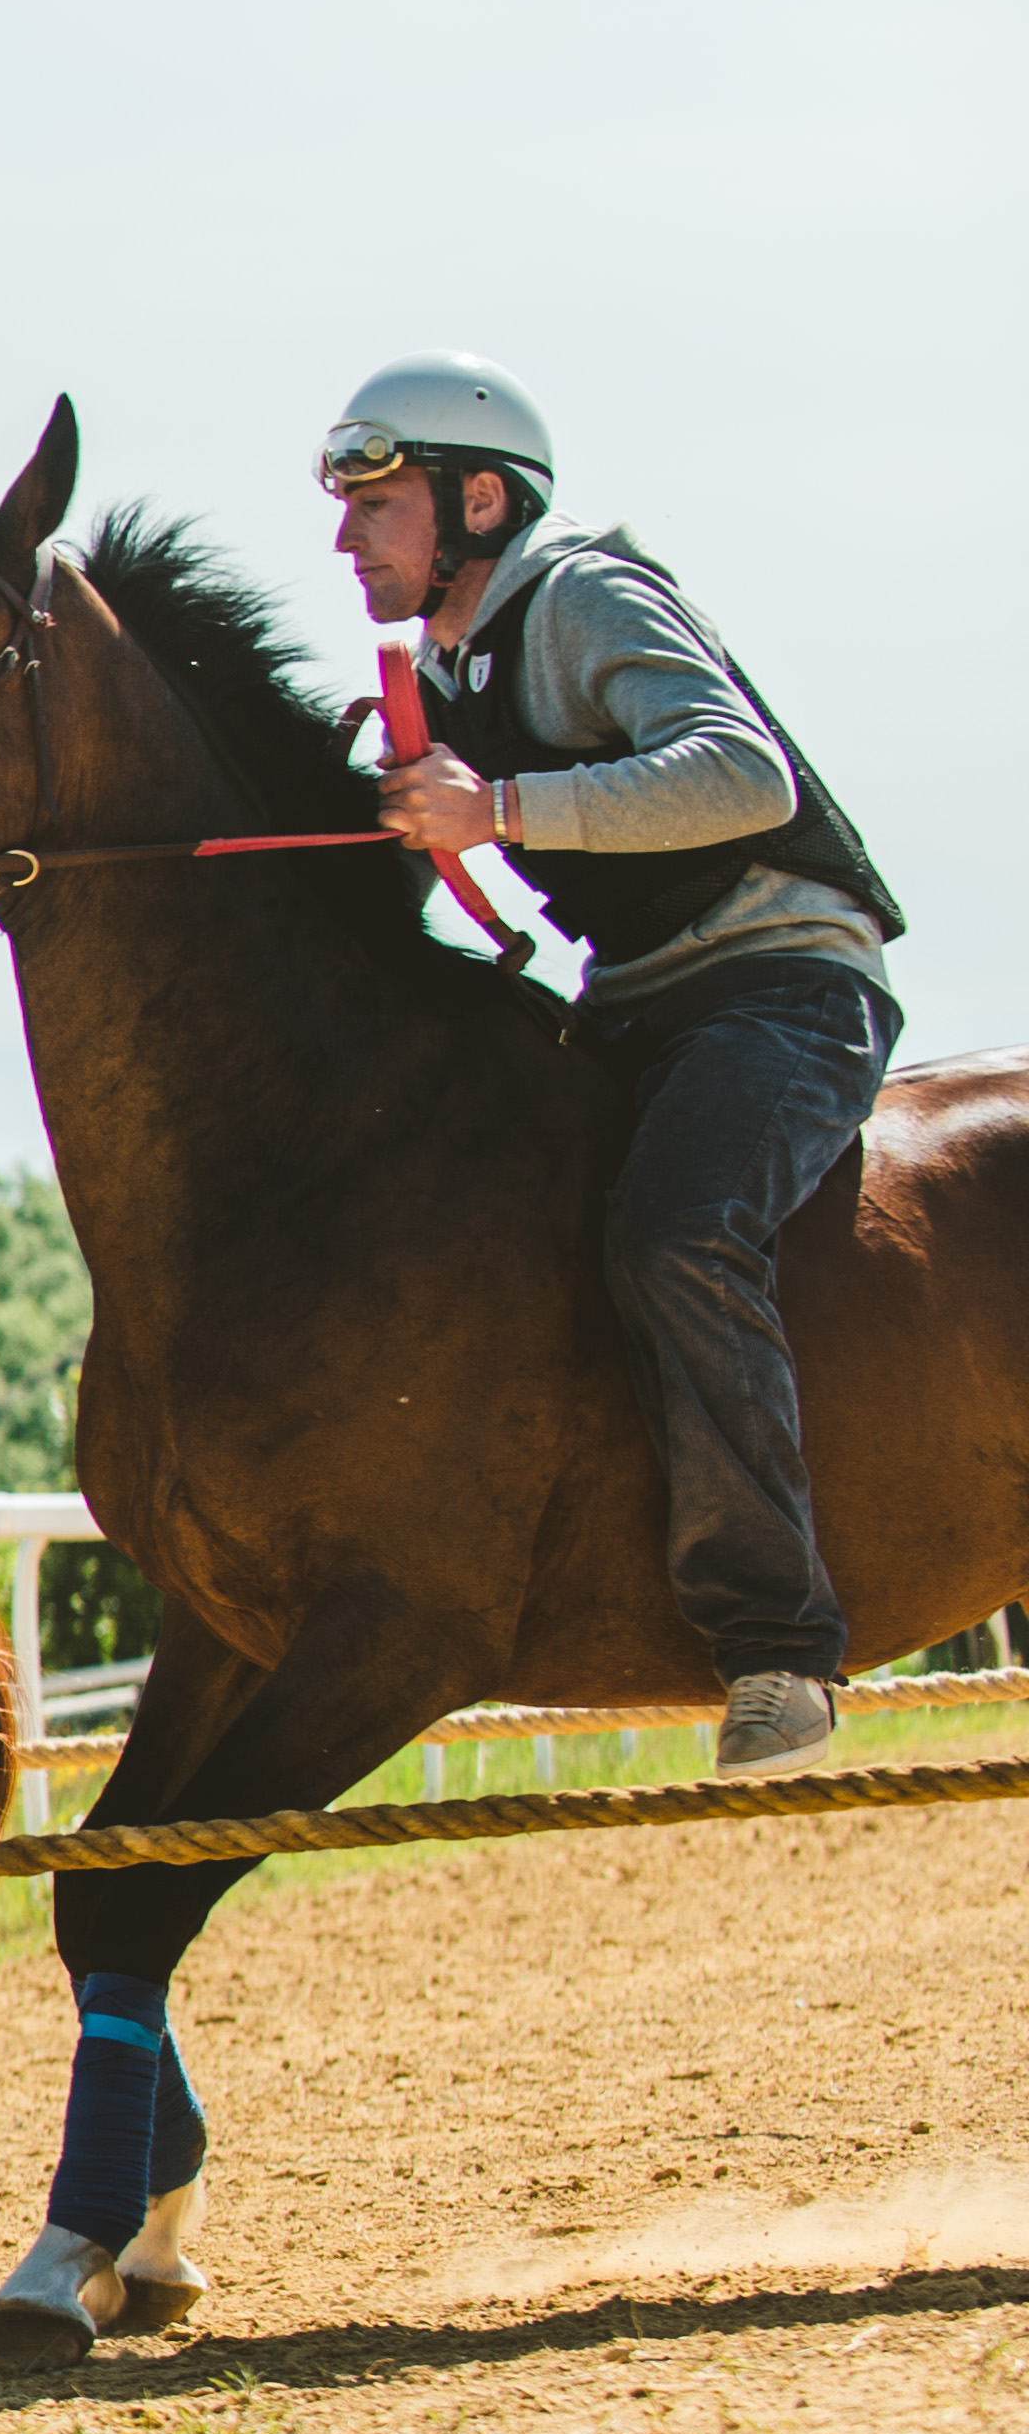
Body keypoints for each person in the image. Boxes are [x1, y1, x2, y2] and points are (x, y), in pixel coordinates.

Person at [328, 354, 905, 1774]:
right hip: (638, 1000)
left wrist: (499, 806)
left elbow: (743, 775)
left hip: (783, 986)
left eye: (375, 504)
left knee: (676, 1237)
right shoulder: (448, 664)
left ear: (476, 498)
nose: (345, 540)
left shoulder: (579, 593)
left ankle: (779, 1649)